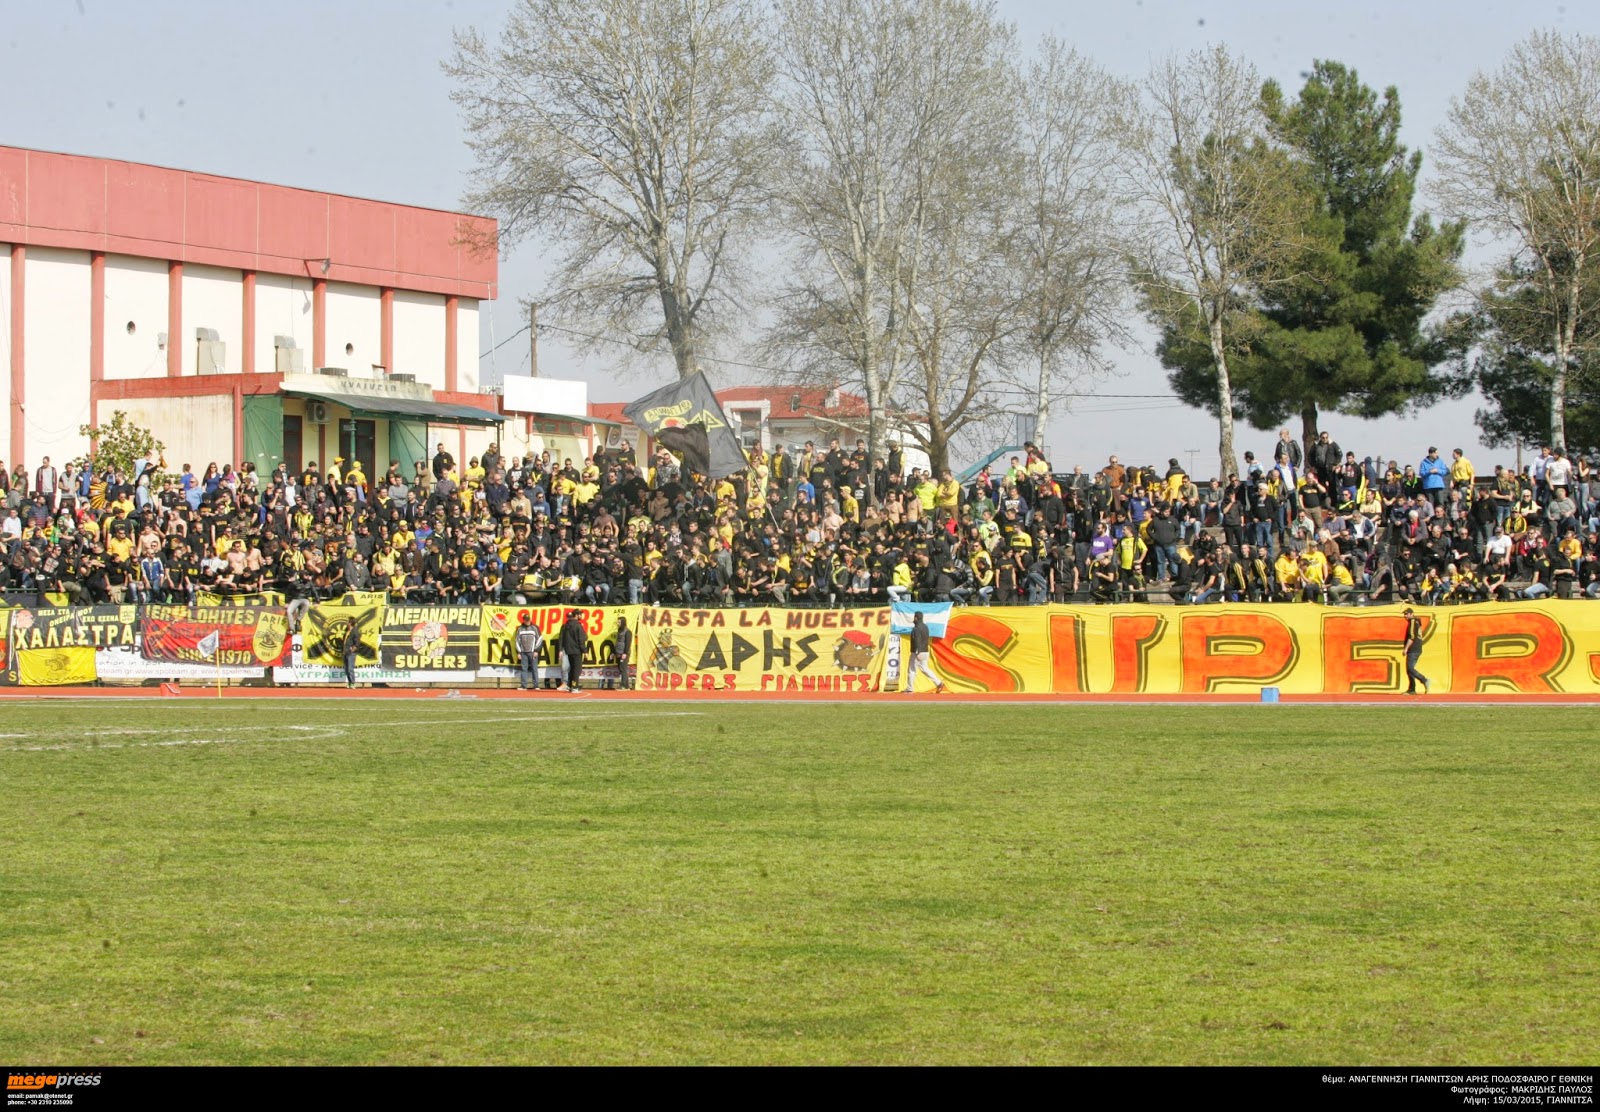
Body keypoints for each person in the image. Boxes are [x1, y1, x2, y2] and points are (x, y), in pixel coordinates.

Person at [904, 611, 947, 695]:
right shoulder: (925, 627)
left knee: (912, 670)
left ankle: (910, 688)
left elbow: (917, 640)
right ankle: (938, 683)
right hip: (925, 651)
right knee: (925, 669)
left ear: (916, 617)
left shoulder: (916, 628)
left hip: (917, 651)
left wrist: (917, 651)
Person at [1402, 606, 1429, 696]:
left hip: (1413, 648)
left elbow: (1412, 637)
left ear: (1411, 614)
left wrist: (1406, 648)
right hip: (1416, 648)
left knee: (1410, 668)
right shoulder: (1416, 622)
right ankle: (1412, 689)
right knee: (1409, 669)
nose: (1405, 616)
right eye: (1404, 614)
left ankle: (1424, 679)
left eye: (1406, 614)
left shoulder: (1413, 621)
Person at [559, 609, 587, 693]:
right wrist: (585, 651)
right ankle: (574, 686)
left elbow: (561, 639)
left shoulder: (565, 625)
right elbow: (581, 640)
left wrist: (560, 649)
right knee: (577, 669)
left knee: (572, 668)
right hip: (576, 650)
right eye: (581, 614)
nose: (582, 616)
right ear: (577, 615)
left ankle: (570, 685)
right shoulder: (578, 626)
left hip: (568, 650)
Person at [515, 614, 544, 691]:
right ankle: (523, 686)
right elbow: (517, 641)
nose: (527, 621)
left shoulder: (535, 628)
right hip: (523, 652)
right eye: (526, 620)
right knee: (524, 669)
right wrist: (518, 652)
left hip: (532, 652)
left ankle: (536, 685)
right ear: (523, 620)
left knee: (534, 668)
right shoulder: (519, 629)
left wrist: (536, 650)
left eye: (528, 620)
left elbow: (540, 639)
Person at [613, 615, 634, 691]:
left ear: (623, 622)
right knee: (621, 668)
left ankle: (622, 686)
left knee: (623, 669)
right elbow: (617, 641)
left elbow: (628, 643)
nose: (618, 623)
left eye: (619, 622)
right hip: (618, 652)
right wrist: (614, 652)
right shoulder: (619, 630)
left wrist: (625, 653)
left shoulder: (628, 632)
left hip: (623, 653)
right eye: (617, 622)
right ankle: (627, 685)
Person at [342, 621, 363, 689]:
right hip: (345, 651)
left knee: (350, 668)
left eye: (347, 622)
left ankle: (353, 683)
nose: (346, 623)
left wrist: (352, 650)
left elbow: (357, 643)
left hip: (351, 653)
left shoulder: (355, 632)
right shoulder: (347, 631)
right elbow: (344, 641)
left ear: (350, 623)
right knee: (346, 669)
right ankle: (350, 682)